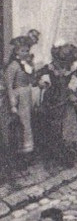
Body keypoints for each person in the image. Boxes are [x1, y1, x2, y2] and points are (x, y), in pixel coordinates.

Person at [36, 44, 77, 166]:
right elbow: (36, 75)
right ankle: (51, 153)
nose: (62, 65)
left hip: (66, 98)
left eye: (66, 62)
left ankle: (66, 154)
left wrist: (76, 94)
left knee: (68, 125)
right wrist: (41, 83)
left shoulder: (72, 68)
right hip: (51, 97)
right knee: (50, 124)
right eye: (60, 61)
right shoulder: (51, 67)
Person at [2, 35, 38, 166]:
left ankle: (27, 152)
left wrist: (38, 83)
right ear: (16, 51)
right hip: (18, 98)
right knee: (21, 124)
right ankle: (18, 153)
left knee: (28, 122)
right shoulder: (13, 66)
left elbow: (31, 80)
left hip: (27, 97)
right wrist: (12, 104)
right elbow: (9, 87)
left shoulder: (27, 65)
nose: (25, 53)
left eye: (27, 50)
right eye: (22, 50)